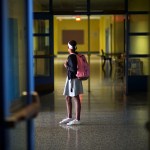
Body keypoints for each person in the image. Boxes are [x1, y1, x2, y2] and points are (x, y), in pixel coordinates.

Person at [59, 40, 83, 126]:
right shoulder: (75, 55)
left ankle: (77, 119)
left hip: (73, 79)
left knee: (75, 98)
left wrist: (66, 66)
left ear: (69, 48)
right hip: (71, 79)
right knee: (68, 97)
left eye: (68, 47)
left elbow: (73, 69)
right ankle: (69, 117)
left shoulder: (71, 57)